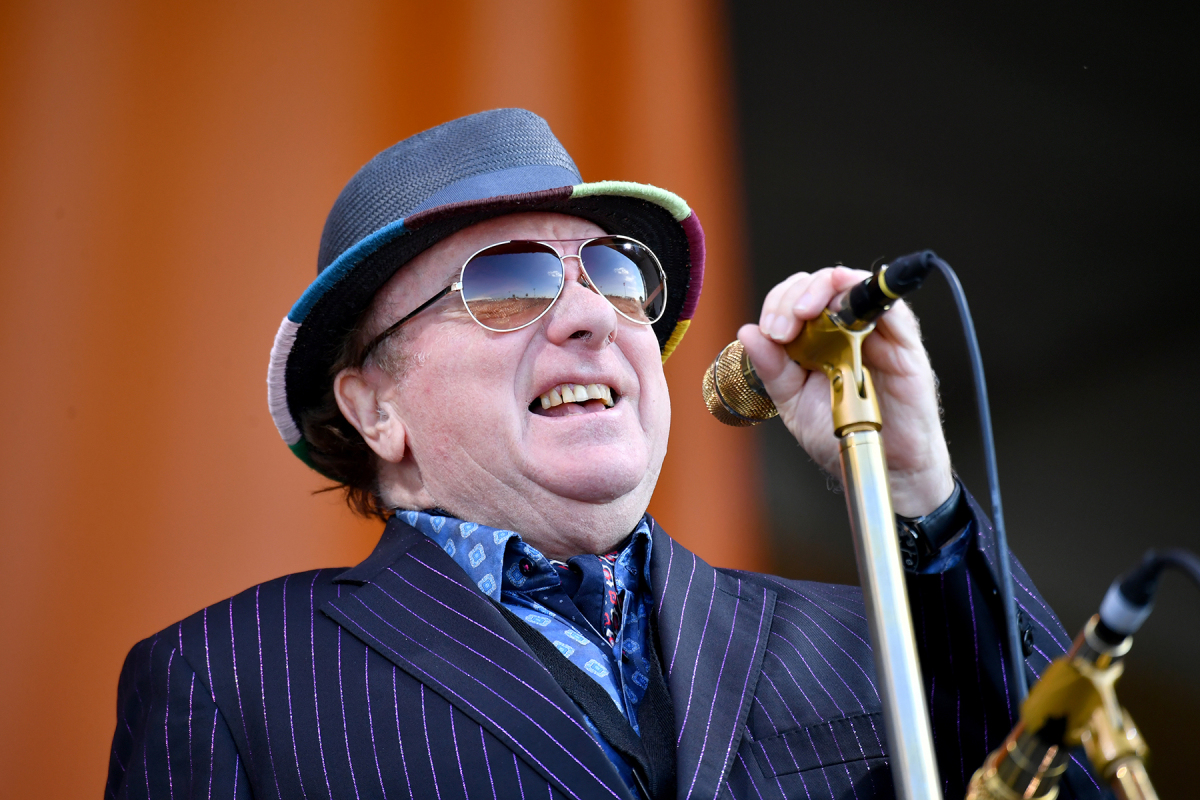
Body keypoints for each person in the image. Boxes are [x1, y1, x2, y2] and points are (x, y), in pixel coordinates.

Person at [105, 109, 1105, 800]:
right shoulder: (233, 677)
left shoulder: (862, 637)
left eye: (616, 274)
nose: (590, 314)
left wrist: (917, 493)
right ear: (375, 408)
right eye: (506, 282)